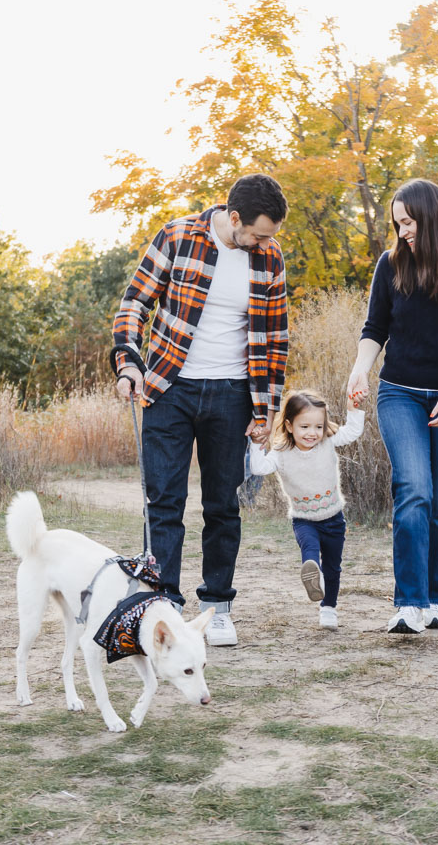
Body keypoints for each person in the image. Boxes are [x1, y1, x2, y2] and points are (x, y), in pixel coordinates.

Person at [112, 173, 289, 647]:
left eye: (269, 235)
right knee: (164, 502)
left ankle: (217, 606)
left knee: (222, 505)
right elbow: (134, 305)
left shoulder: (269, 259)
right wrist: (128, 364)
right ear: (234, 219)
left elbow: (275, 341)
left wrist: (265, 409)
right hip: (169, 389)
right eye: (258, 233)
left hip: (232, 395)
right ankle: (161, 605)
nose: (265, 242)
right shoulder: (177, 236)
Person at [344, 179, 438, 635]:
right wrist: (360, 370)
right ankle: (408, 603)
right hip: (400, 394)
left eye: (407, 221)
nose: (402, 230)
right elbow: (375, 328)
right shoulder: (391, 264)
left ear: (430, 216)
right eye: (397, 223)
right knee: (414, 489)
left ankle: (435, 600)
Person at [247, 389, 365, 631]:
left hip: (333, 518)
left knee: (334, 566)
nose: (313, 433)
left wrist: (354, 408)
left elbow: (353, 431)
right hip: (303, 519)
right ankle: (312, 573)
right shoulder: (281, 453)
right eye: (305, 427)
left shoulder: (328, 441)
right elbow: (259, 469)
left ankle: (328, 608)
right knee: (310, 549)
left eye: (318, 427)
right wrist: (257, 443)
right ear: (289, 426)